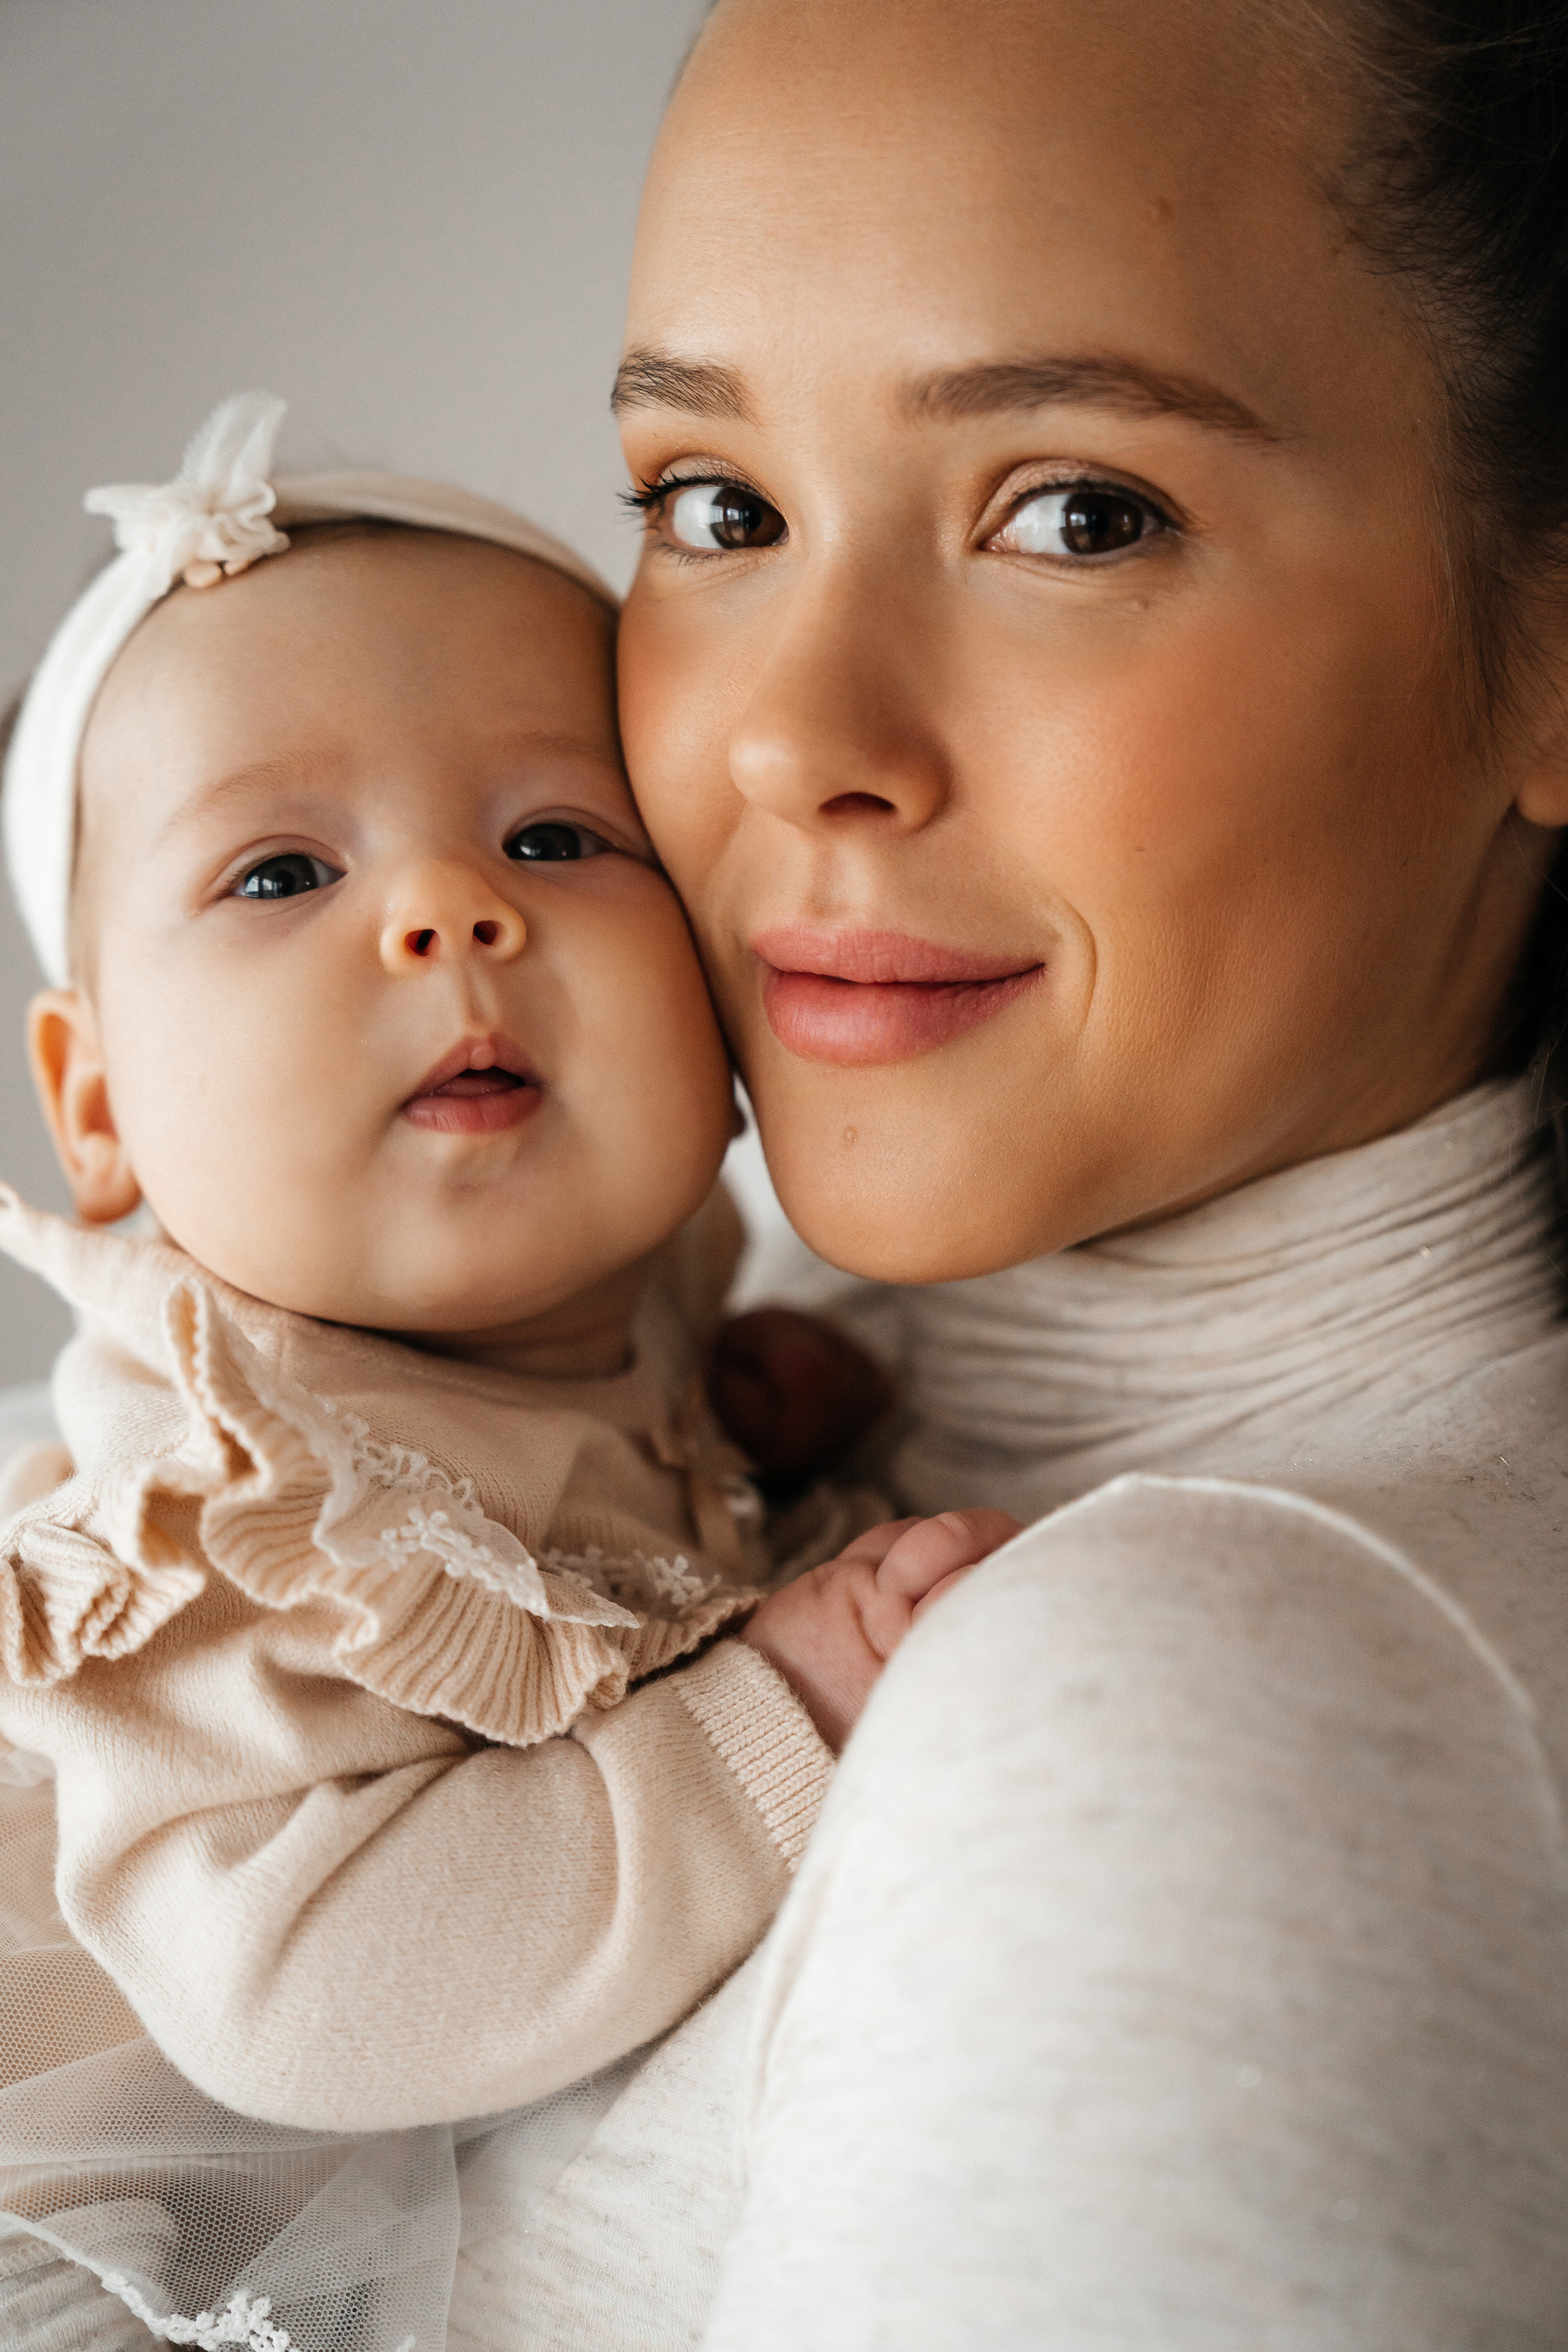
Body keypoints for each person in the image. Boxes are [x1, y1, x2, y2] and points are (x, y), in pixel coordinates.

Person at [448, 1, 1568, 2345]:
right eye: (713, 506)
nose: (794, 734)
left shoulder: (1195, 1698)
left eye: (1076, 512)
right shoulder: (720, 1419)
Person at [0, 391, 1013, 2348]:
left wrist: (739, 1393)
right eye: (281, 875)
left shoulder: (659, 1256)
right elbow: (307, 1993)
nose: (453, 914)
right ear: (100, 1100)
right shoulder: (234, 1504)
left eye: (557, 834)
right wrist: (775, 1710)